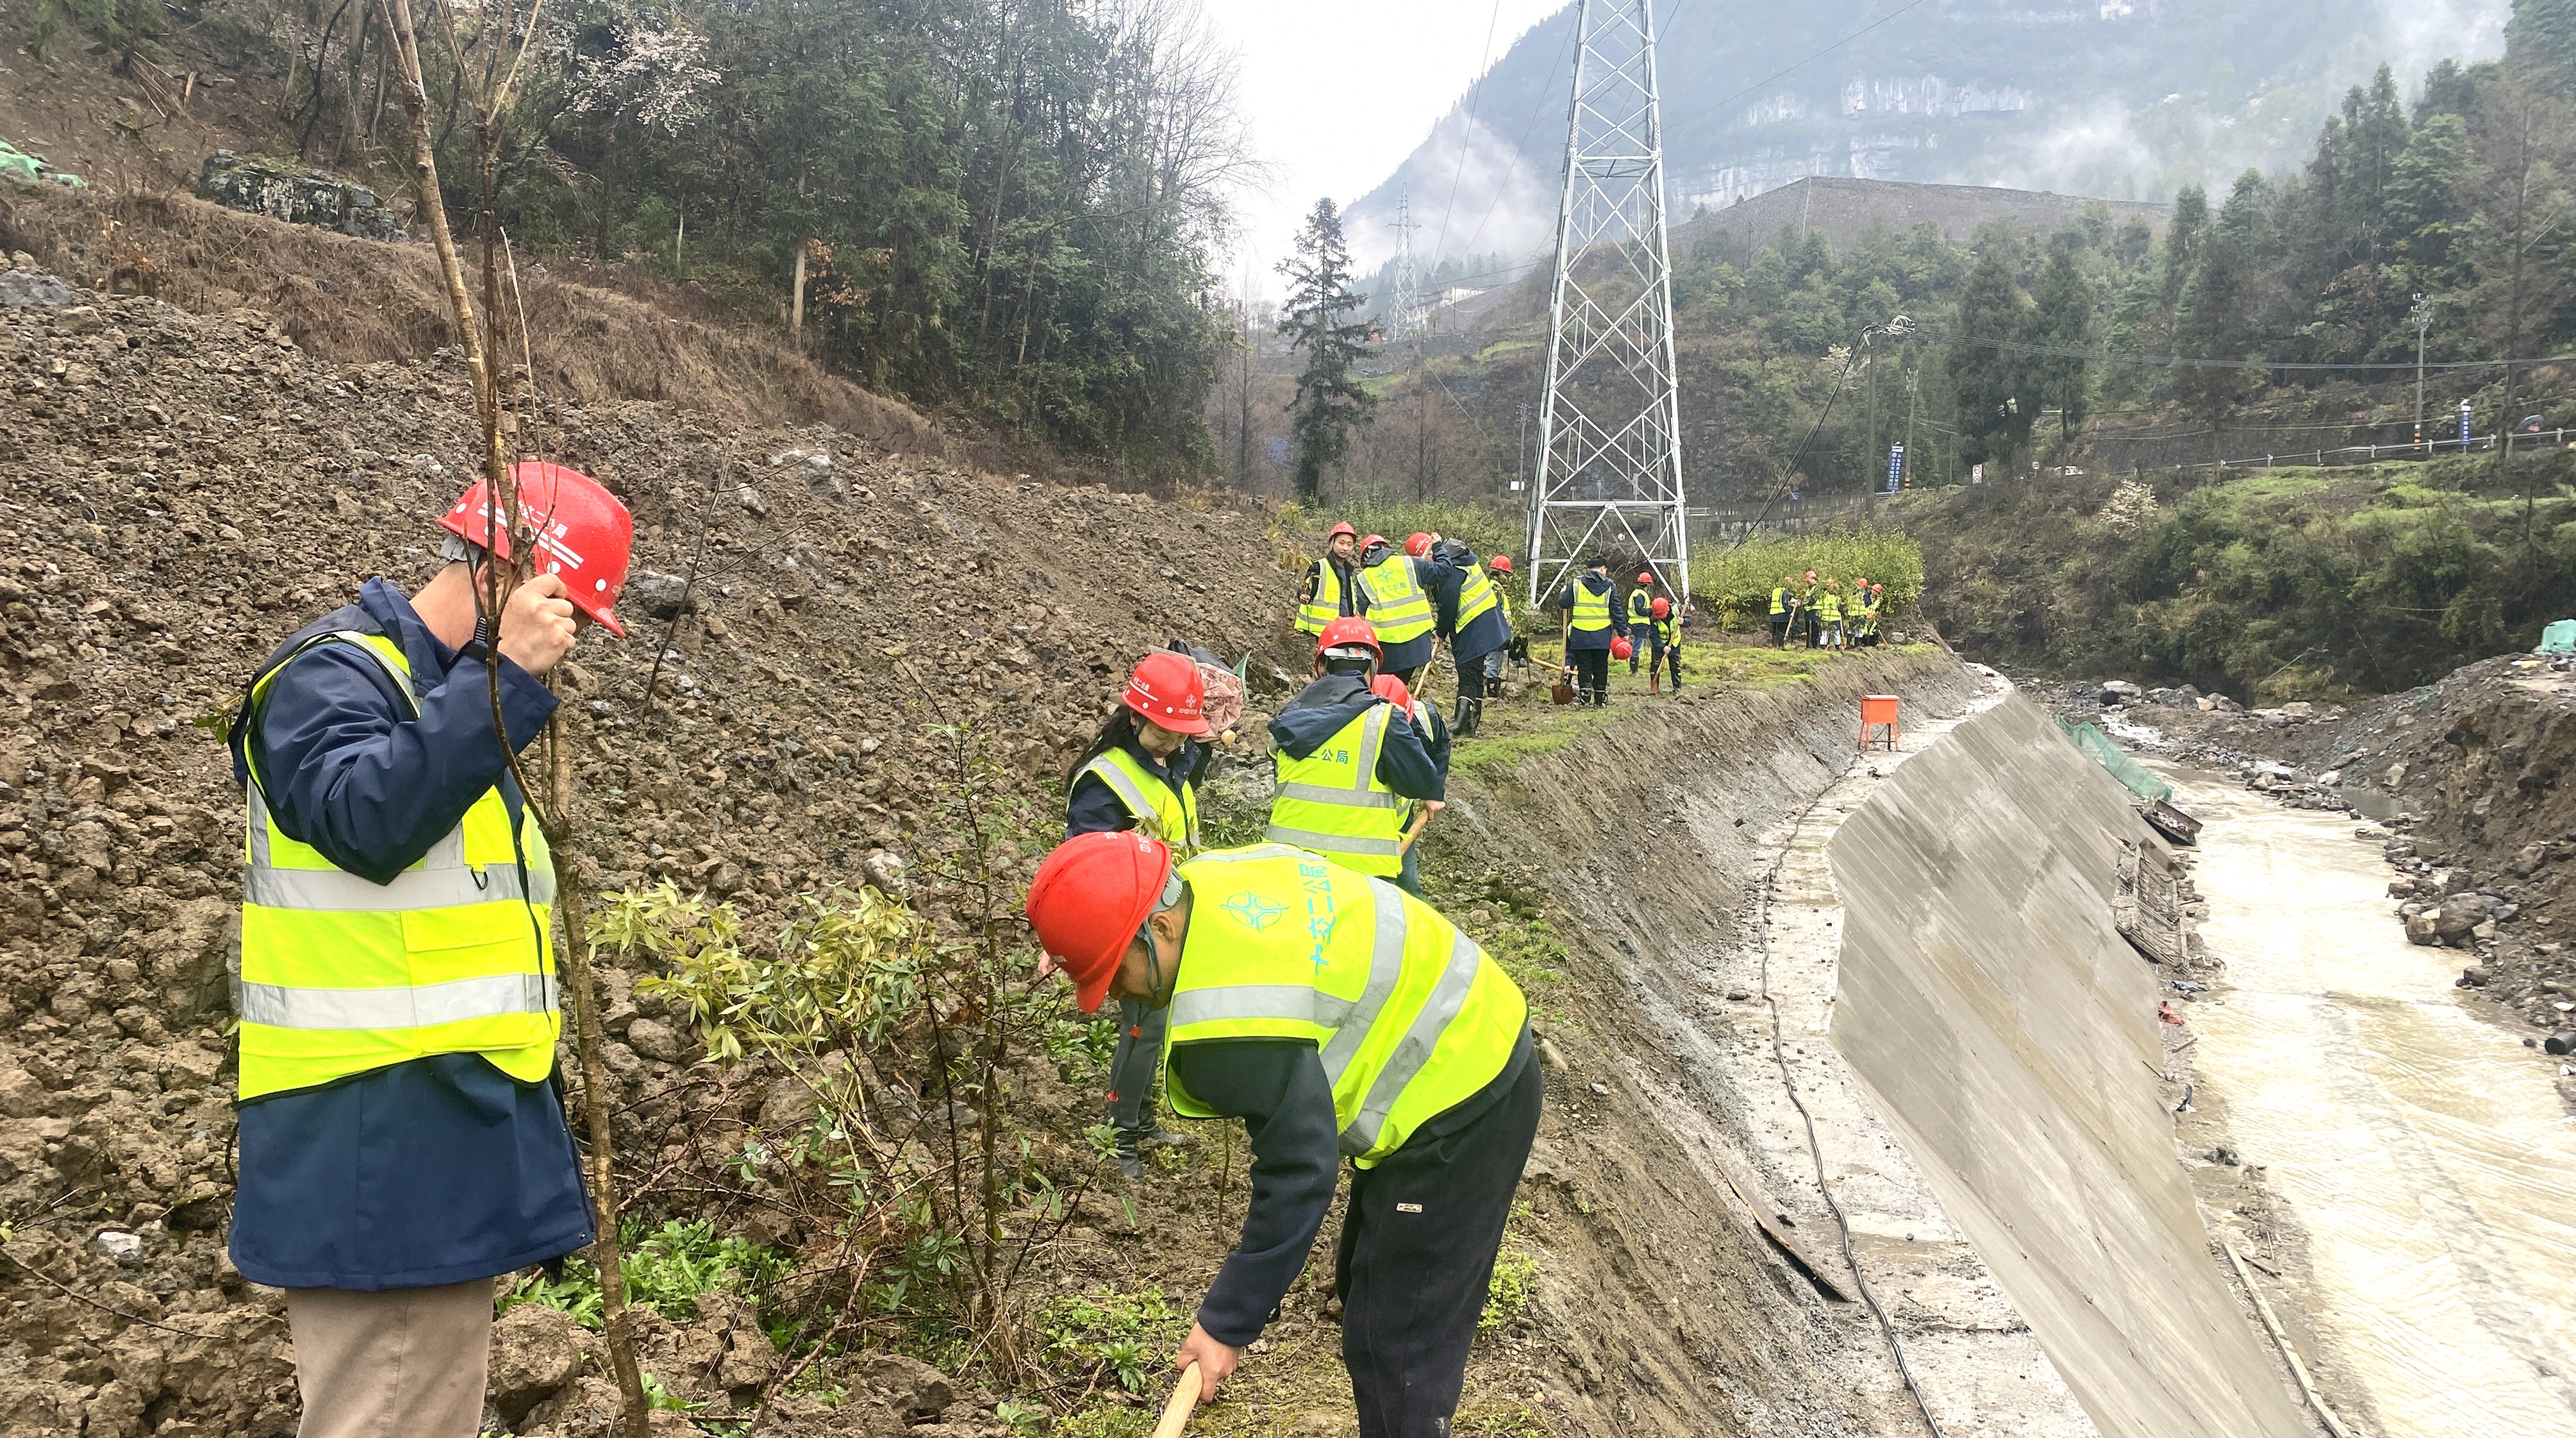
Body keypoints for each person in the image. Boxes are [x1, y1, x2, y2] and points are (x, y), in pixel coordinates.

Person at [226, 462, 630, 1438]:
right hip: (376, 1143)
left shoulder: (446, 695)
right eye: (565, 608)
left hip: (430, 1138)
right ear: (507, 575)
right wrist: (507, 677)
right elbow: (365, 820)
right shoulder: (331, 676)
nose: (568, 638)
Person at [1022, 831, 1539, 1438]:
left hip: (1464, 1087)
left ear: (1160, 928)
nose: (1114, 994)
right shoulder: (1212, 879)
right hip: (1469, 1012)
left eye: (1114, 971)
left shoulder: (1231, 1022)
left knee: (1399, 1338)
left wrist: (1225, 1324)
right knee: (1364, 1283)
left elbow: (1299, 1173)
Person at [1065, 651, 1216, 1179]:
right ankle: (1119, 1138)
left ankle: (1140, 1119)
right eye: (1165, 734)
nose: (1175, 743)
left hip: (1169, 917)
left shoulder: (1171, 760)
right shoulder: (1104, 780)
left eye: (1182, 735)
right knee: (1139, 1030)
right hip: (1137, 928)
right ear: (1134, 718)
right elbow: (1085, 862)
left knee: (1154, 1029)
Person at [1266, 618, 1449, 894]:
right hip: (1363, 877)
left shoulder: (1286, 720)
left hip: (1288, 868)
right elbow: (1419, 783)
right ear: (1373, 667)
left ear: (1320, 666)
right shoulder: (1384, 720)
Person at [1371, 672, 1450, 893]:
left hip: (1402, 824)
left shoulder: (1426, 717)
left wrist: (1434, 791)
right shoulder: (1358, 730)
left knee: (1409, 887)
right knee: (1378, 894)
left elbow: (1441, 746)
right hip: (1368, 830)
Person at [1424, 538, 1511, 738]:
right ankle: (1471, 724)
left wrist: (1440, 632)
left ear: (1433, 554)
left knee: (1467, 674)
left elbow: (1448, 604)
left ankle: (1459, 722)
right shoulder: (1462, 560)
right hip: (1486, 623)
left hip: (1474, 627)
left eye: (1426, 558)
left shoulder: (1452, 571)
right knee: (1474, 675)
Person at [1355, 534, 1441, 685]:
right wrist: (1438, 547)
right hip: (1418, 644)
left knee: (1386, 687)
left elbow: (1360, 615)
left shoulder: (1364, 577)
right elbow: (1442, 571)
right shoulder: (1409, 563)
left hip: (1387, 649)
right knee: (1401, 684)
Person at [1549, 557, 1625, 707]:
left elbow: (1564, 603)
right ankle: (1600, 699)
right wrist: (1623, 633)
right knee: (1601, 667)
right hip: (1602, 636)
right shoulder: (1610, 586)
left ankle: (1585, 699)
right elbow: (1616, 611)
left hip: (1580, 635)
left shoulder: (1576, 583)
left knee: (1584, 667)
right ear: (1603, 569)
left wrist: (1563, 593)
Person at [1297, 522, 1365, 637]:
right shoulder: (1319, 567)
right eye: (1341, 543)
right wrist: (1302, 596)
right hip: (1323, 631)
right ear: (1332, 543)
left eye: (1349, 544)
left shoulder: (1348, 570)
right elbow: (1306, 590)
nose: (1345, 548)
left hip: (1345, 628)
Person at [1646, 596, 1684, 693]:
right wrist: (1663, 647)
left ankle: (1677, 688)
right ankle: (1654, 689)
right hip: (1660, 645)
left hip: (1674, 643)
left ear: (1667, 610)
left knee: (1675, 665)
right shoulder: (1653, 618)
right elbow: (1654, 637)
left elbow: (1689, 621)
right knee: (1655, 665)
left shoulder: (1677, 610)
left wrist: (1684, 622)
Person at [1624, 572, 1656, 673]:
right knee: (1637, 647)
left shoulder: (1637, 593)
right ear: (1647, 585)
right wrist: (1651, 610)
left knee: (1636, 647)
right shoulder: (1640, 595)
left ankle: (1634, 670)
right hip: (1640, 624)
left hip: (1636, 623)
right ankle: (1634, 671)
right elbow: (1640, 611)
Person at [1817, 579, 1845, 653]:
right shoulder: (1827, 596)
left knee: (1833, 633)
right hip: (1828, 618)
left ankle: (1835, 647)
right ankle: (1825, 647)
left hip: (1831, 618)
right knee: (1827, 633)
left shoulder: (1833, 597)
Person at [1769, 574, 1794, 650]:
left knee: (1775, 631)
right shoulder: (1785, 591)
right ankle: (1780, 647)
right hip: (1782, 614)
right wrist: (1790, 612)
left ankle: (1774, 646)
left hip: (1774, 614)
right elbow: (1785, 603)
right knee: (1781, 631)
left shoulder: (1775, 591)